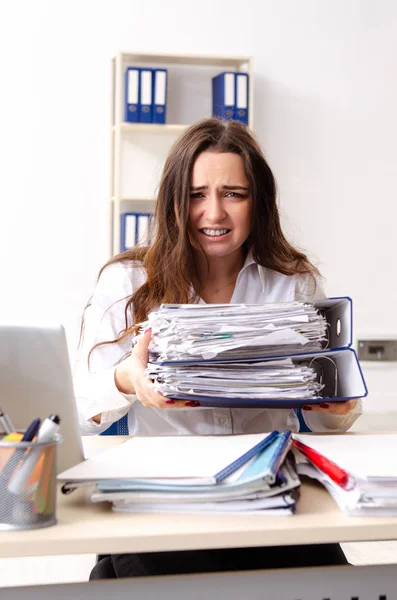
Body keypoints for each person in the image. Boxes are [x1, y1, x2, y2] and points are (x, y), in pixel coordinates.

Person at [74, 118, 361, 579]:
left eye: (234, 194)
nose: (214, 213)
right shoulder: (127, 282)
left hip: (270, 500)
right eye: (196, 195)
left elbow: (327, 422)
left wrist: (338, 405)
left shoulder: (294, 282)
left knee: (340, 583)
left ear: (258, 202)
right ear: (173, 202)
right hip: (164, 504)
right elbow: (80, 408)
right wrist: (126, 378)